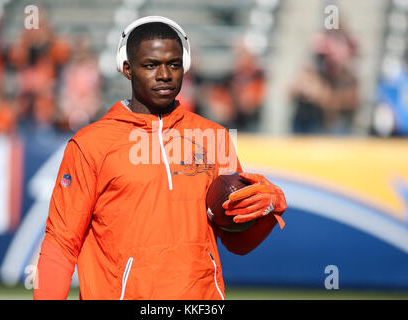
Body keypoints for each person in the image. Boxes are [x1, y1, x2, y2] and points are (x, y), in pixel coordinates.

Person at [33, 16, 287, 300]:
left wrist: (269, 210)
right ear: (127, 69)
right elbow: (60, 244)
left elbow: (236, 241)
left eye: (174, 64)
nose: (165, 74)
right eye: (151, 65)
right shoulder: (90, 143)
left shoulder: (213, 136)